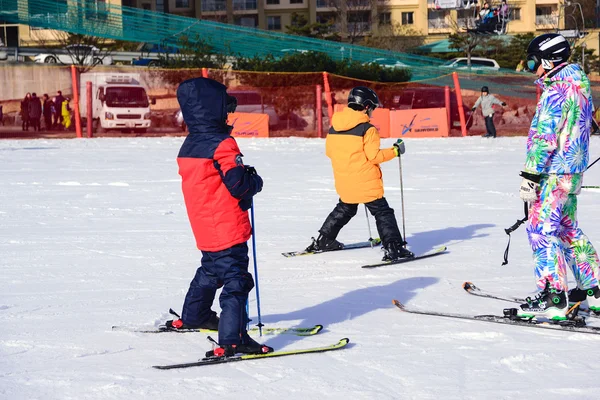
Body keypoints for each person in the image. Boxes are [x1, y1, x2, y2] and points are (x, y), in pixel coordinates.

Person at [165, 77, 272, 357]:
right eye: (225, 108)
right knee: (236, 278)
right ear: (214, 109)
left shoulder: (189, 144)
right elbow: (237, 184)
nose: (228, 114)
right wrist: (253, 180)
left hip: (204, 225)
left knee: (211, 270)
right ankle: (233, 339)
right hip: (226, 225)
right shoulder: (223, 143)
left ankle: (194, 315)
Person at [517, 33, 600, 320]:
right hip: (573, 170)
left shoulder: (556, 90)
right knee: (566, 229)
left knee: (541, 231)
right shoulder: (580, 84)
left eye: (532, 63)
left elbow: (545, 137)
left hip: (552, 171)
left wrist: (530, 174)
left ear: (548, 61)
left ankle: (553, 296)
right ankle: (593, 288)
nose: (532, 69)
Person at [305, 86, 414, 261]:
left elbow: (330, 152)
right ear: (366, 106)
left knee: (345, 208)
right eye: (372, 108)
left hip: (344, 180)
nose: (372, 112)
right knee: (382, 212)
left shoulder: (334, 127)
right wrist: (395, 151)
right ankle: (394, 248)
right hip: (366, 181)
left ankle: (324, 240)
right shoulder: (367, 129)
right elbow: (374, 156)